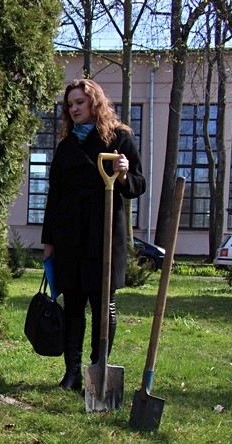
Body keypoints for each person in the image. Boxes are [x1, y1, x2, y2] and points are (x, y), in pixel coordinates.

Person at [41, 78, 146, 392]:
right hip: (70, 236)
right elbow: (54, 196)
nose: (74, 109)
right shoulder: (66, 146)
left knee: (104, 306)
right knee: (73, 306)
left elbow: (137, 186)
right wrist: (49, 243)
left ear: (94, 103)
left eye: (79, 103)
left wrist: (125, 173)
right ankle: (71, 373)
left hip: (104, 236)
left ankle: (99, 368)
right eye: (69, 105)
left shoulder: (119, 139)